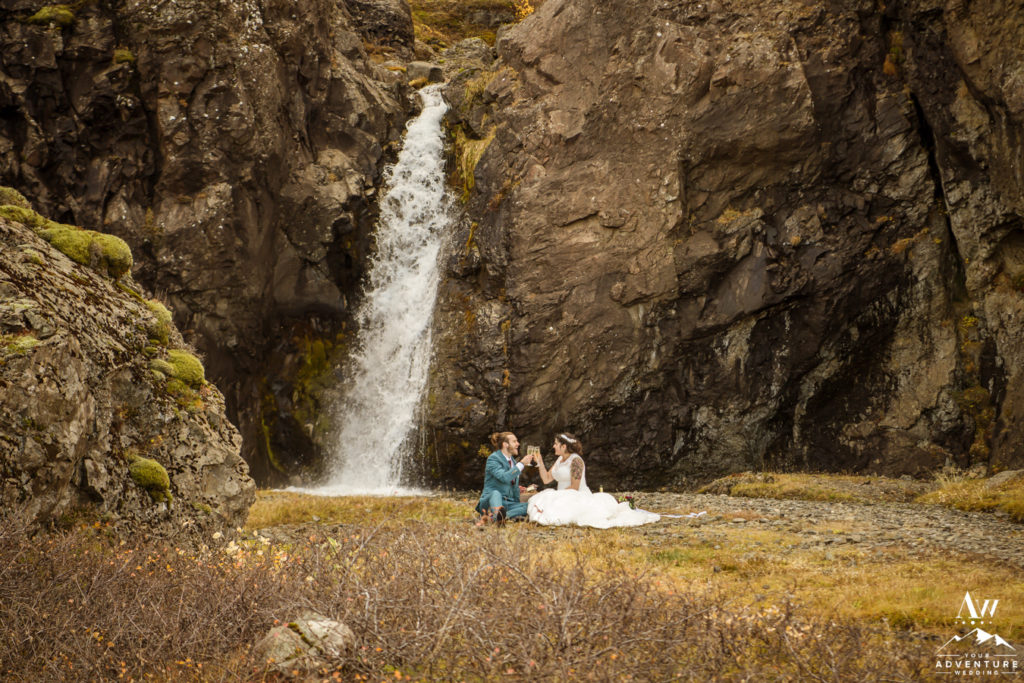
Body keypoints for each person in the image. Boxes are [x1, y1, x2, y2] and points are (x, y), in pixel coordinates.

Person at [527, 433, 660, 528]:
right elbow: (546, 479)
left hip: (576, 495)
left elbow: (574, 487)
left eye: (556, 444)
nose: (553, 446)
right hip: (562, 494)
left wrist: (556, 496)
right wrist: (540, 462)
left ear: (564, 446)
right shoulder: (559, 460)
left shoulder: (576, 461)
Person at [475, 431, 534, 526]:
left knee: (532, 506)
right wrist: (522, 463)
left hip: (507, 503)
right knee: (495, 493)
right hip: (491, 501)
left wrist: (518, 491)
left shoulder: (513, 462)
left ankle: (501, 516)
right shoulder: (493, 459)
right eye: (514, 441)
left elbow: (512, 486)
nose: (518, 444)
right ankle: (497, 514)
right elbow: (504, 477)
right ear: (505, 444)